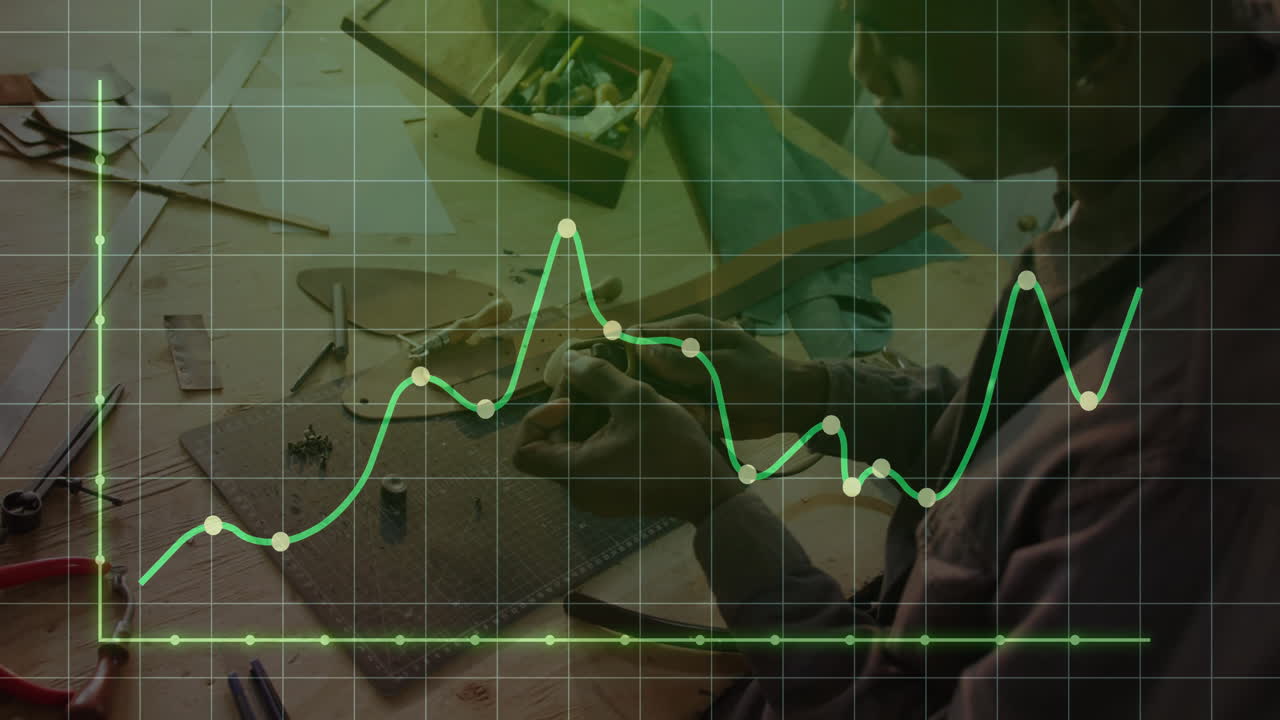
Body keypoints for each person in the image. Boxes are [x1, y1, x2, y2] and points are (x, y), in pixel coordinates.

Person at [514, 0, 1280, 717]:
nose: (863, 71)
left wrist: (713, 503)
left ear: (1092, 42)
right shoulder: (1190, 126)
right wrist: (808, 392)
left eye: (897, 37)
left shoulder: (1177, 445)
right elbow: (1023, 457)